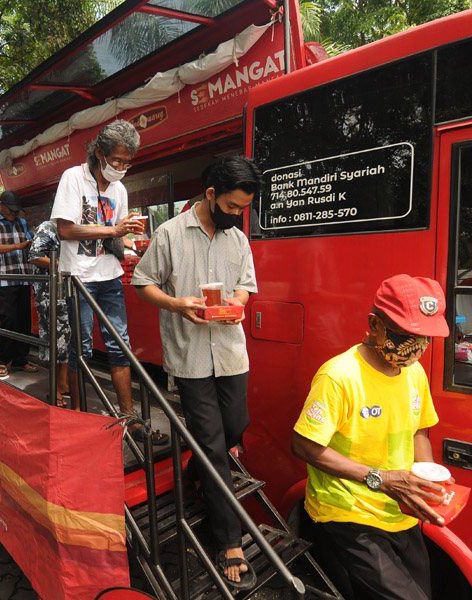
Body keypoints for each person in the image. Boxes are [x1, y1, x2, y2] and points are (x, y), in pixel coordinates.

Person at [131, 155, 263, 589]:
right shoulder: (169, 233)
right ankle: (229, 541)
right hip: (189, 357)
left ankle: (197, 472)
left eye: (243, 208)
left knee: (234, 427)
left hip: (231, 353)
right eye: (232, 206)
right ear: (210, 194)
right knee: (211, 442)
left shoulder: (237, 239)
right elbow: (143, 282)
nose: (237, 214)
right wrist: (176, 304)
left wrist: (237, 305)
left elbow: (245, 286)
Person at [291, 274, 451, 600]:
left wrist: (428, 480)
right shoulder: (339, 376)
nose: (417, 347)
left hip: (399, 511)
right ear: (374, 324)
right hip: (348, 513)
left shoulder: (414, 373)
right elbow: (303, 445)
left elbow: (418, 430)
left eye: (425, 337)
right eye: (406, 335)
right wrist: (382, 479)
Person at [50, 120, 155, 430]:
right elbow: (65, 230)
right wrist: (114, 230)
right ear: (99, 153)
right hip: (79, 278)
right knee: (81, 348)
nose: (121, 167)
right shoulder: (73, 177)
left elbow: (117, 237)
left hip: (110, 277)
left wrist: (133, 240)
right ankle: (80, 416)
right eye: (117, 160)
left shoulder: (119, 189)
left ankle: (129, 417)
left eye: (127, 162)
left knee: (120, 345)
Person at [0, 191, 38, 378]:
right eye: (10, 210)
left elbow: (33, 240)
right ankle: (2, 360)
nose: (13, 214)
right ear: (0, 205)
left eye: (16, 211)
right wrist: (19, 246)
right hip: (3, 280)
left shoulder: (22, 222)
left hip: (24, 277)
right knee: (9, 320)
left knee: (24, 320)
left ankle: (21, 359)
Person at [28, 219, 71, 406]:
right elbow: (34, 256)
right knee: (55, 337)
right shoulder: (48, 227)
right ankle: (53, 389)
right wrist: (64, 266)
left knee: (68, 337)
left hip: (69, 289)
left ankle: (63, 383)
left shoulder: (76, 227)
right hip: (50, 291)